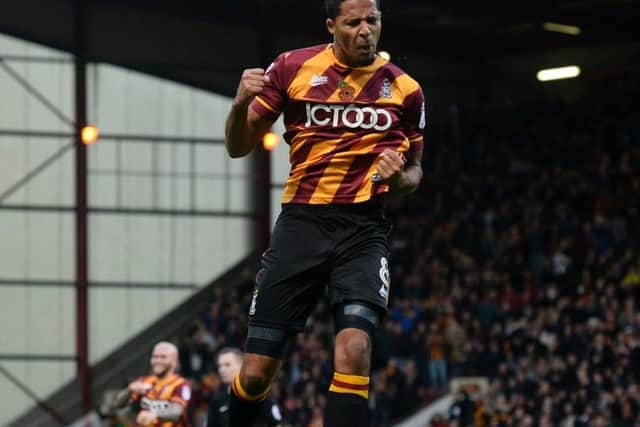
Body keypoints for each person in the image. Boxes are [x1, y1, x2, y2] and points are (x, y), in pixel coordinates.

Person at [224, 0, 425, 425]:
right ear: (332, 25)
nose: (365, 31)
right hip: (301, 225)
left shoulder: (406, 90)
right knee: (257, 373)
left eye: (373, 21)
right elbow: (239, 145)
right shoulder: (291, 68)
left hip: (363, 231)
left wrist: (400, 177)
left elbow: (415, 174)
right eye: (353, 23)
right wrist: (240, 103)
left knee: (354, 350)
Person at [113, 342, 192, 427]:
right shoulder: (144, 381)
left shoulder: (181, 384)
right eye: (155, 357)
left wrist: (154, 414)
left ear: (174, 362)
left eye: (163, 357)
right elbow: (117, 404)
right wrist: (129, 390)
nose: (158, 360)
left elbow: (176, 413)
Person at [206, 348, 282, 427]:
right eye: (219, 366)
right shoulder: (217, 401)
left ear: (242, 366)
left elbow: (276, 423)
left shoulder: (259, 396)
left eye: (227, 365)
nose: (221, 369)